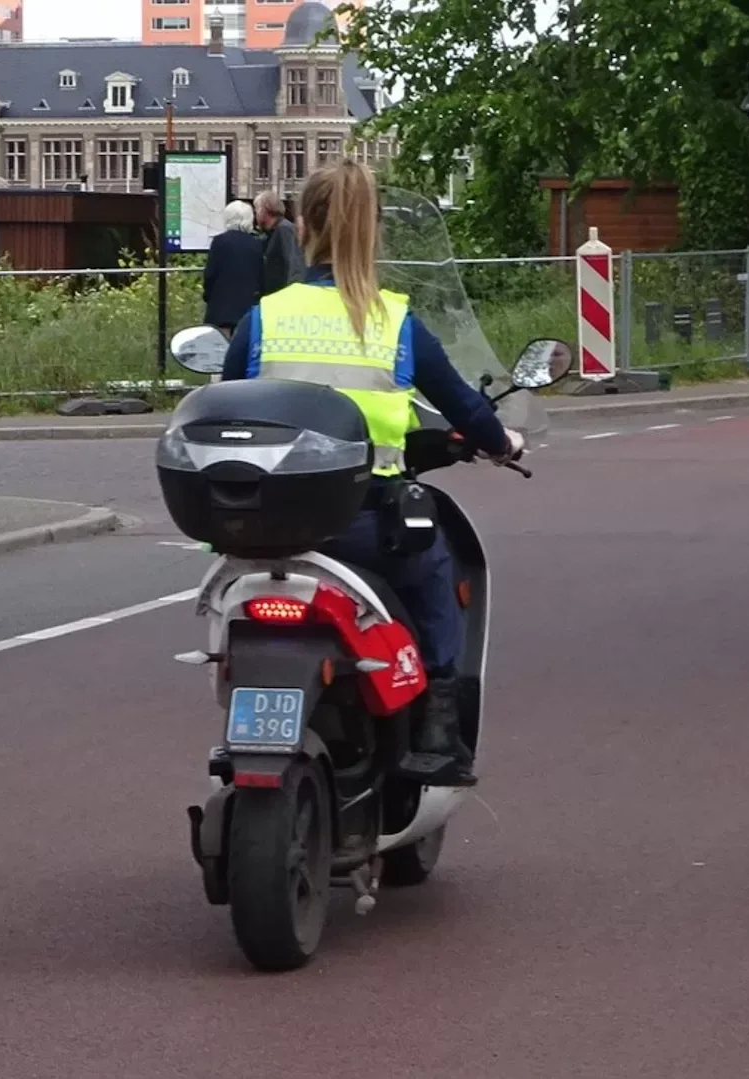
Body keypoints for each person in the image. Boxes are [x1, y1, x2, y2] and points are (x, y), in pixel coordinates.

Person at [221, 160, 525, 787]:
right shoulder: (395, 324)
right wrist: (503, 442)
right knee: (436, 578)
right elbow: (465, 405)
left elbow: (229, 404)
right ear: (374, 231)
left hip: (267, 530)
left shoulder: (263, 319)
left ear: (304, 225)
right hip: (362, 523)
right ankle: (440, 727)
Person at [202, 201, 266, 338]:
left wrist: (208, 296)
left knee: (219, 350)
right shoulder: (257, 245)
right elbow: (260, 277)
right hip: (246, 310)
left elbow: (210, 274)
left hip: (220, 308)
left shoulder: (219, 242)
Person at [254, 189, 305, 295]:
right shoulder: (271, 233)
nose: (256, 215)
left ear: (266, 209)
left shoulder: (284, 230)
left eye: (257, 209)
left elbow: (293, 265)